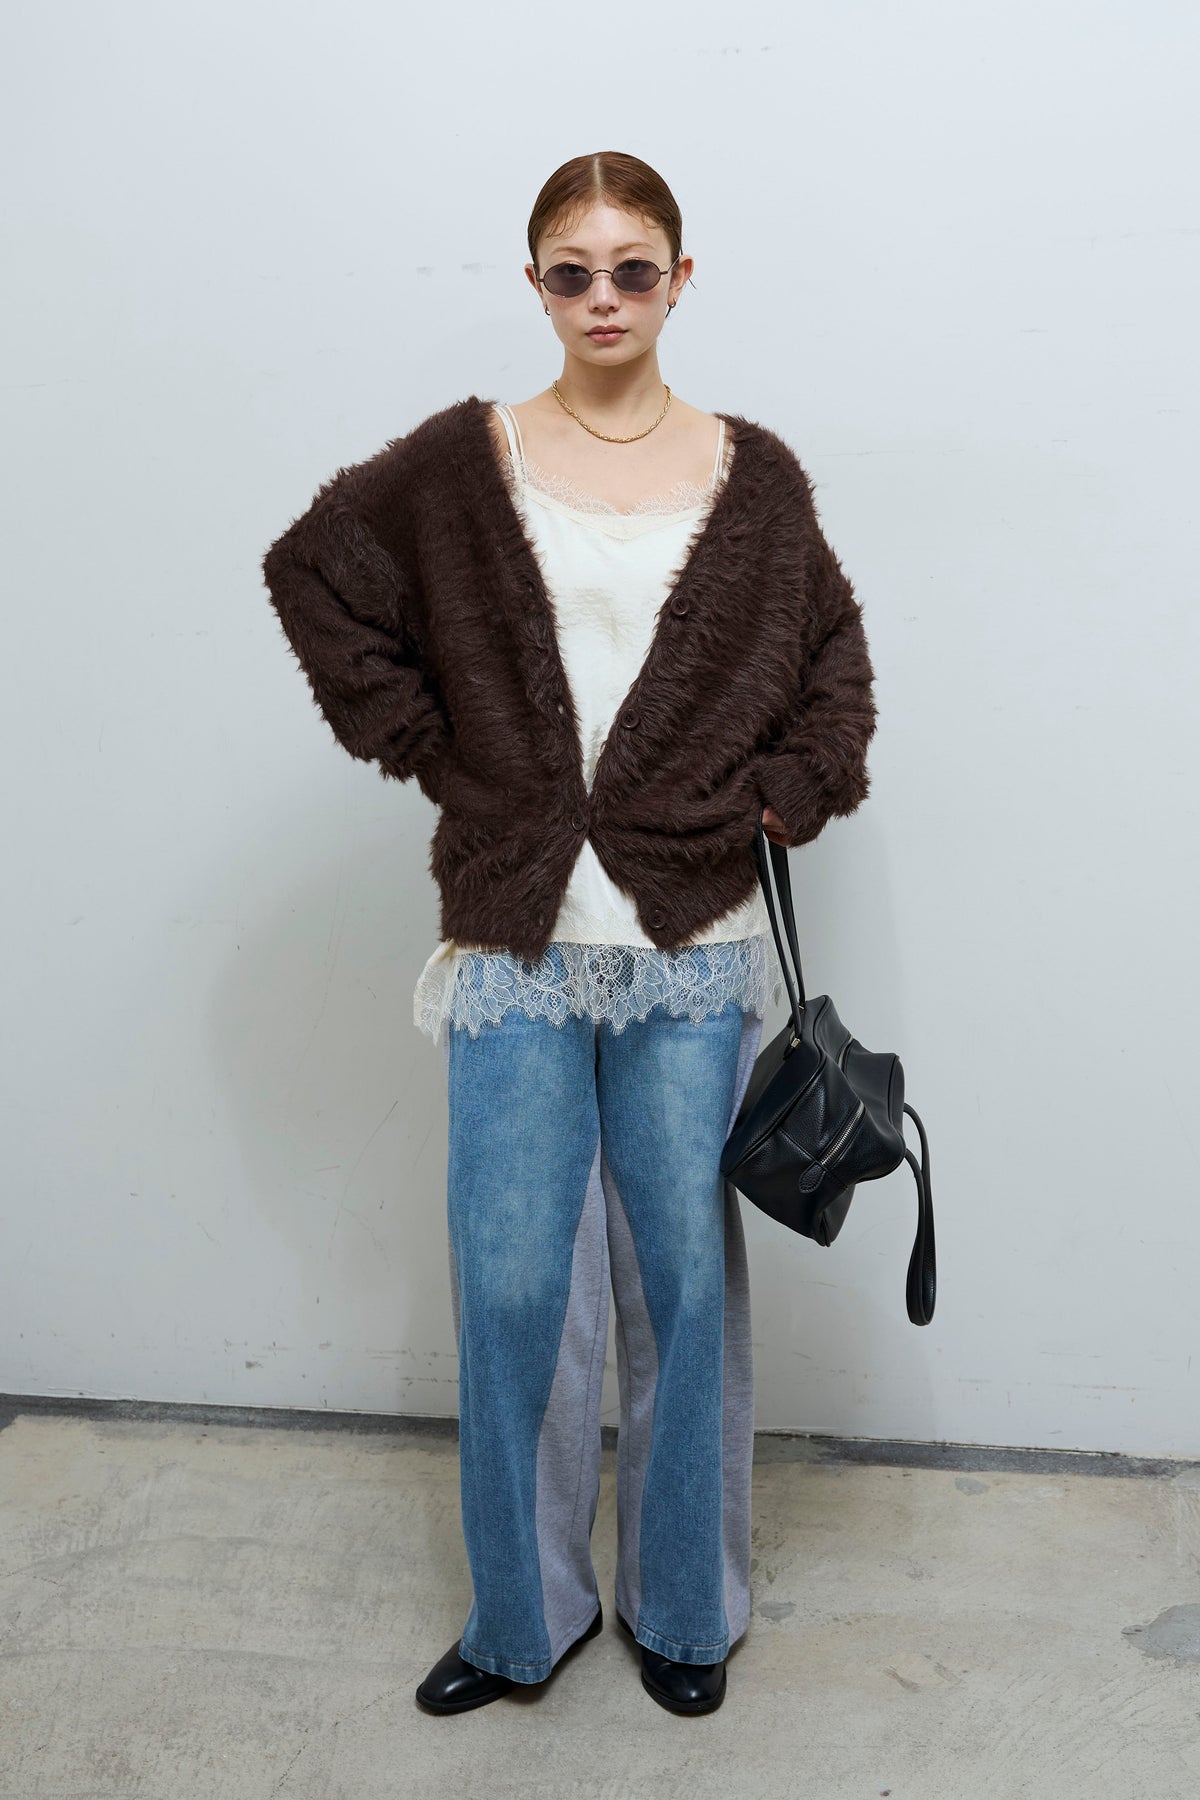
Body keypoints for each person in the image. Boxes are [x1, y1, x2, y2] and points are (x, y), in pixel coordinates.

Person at [261, 150, 878, 1718]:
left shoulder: (753, 475)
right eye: (572, 271)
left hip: (689, 937)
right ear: (535, 285)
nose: (605, 296)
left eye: (634, 268)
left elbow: (834, 665)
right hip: (519, 940)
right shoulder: (468, 462)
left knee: (681, 1285)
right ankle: (520, 1619)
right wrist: (438, 748)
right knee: (517, 1284)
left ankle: (684, 1610)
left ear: (681, 279)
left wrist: (789, 789)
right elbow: (312, 572)